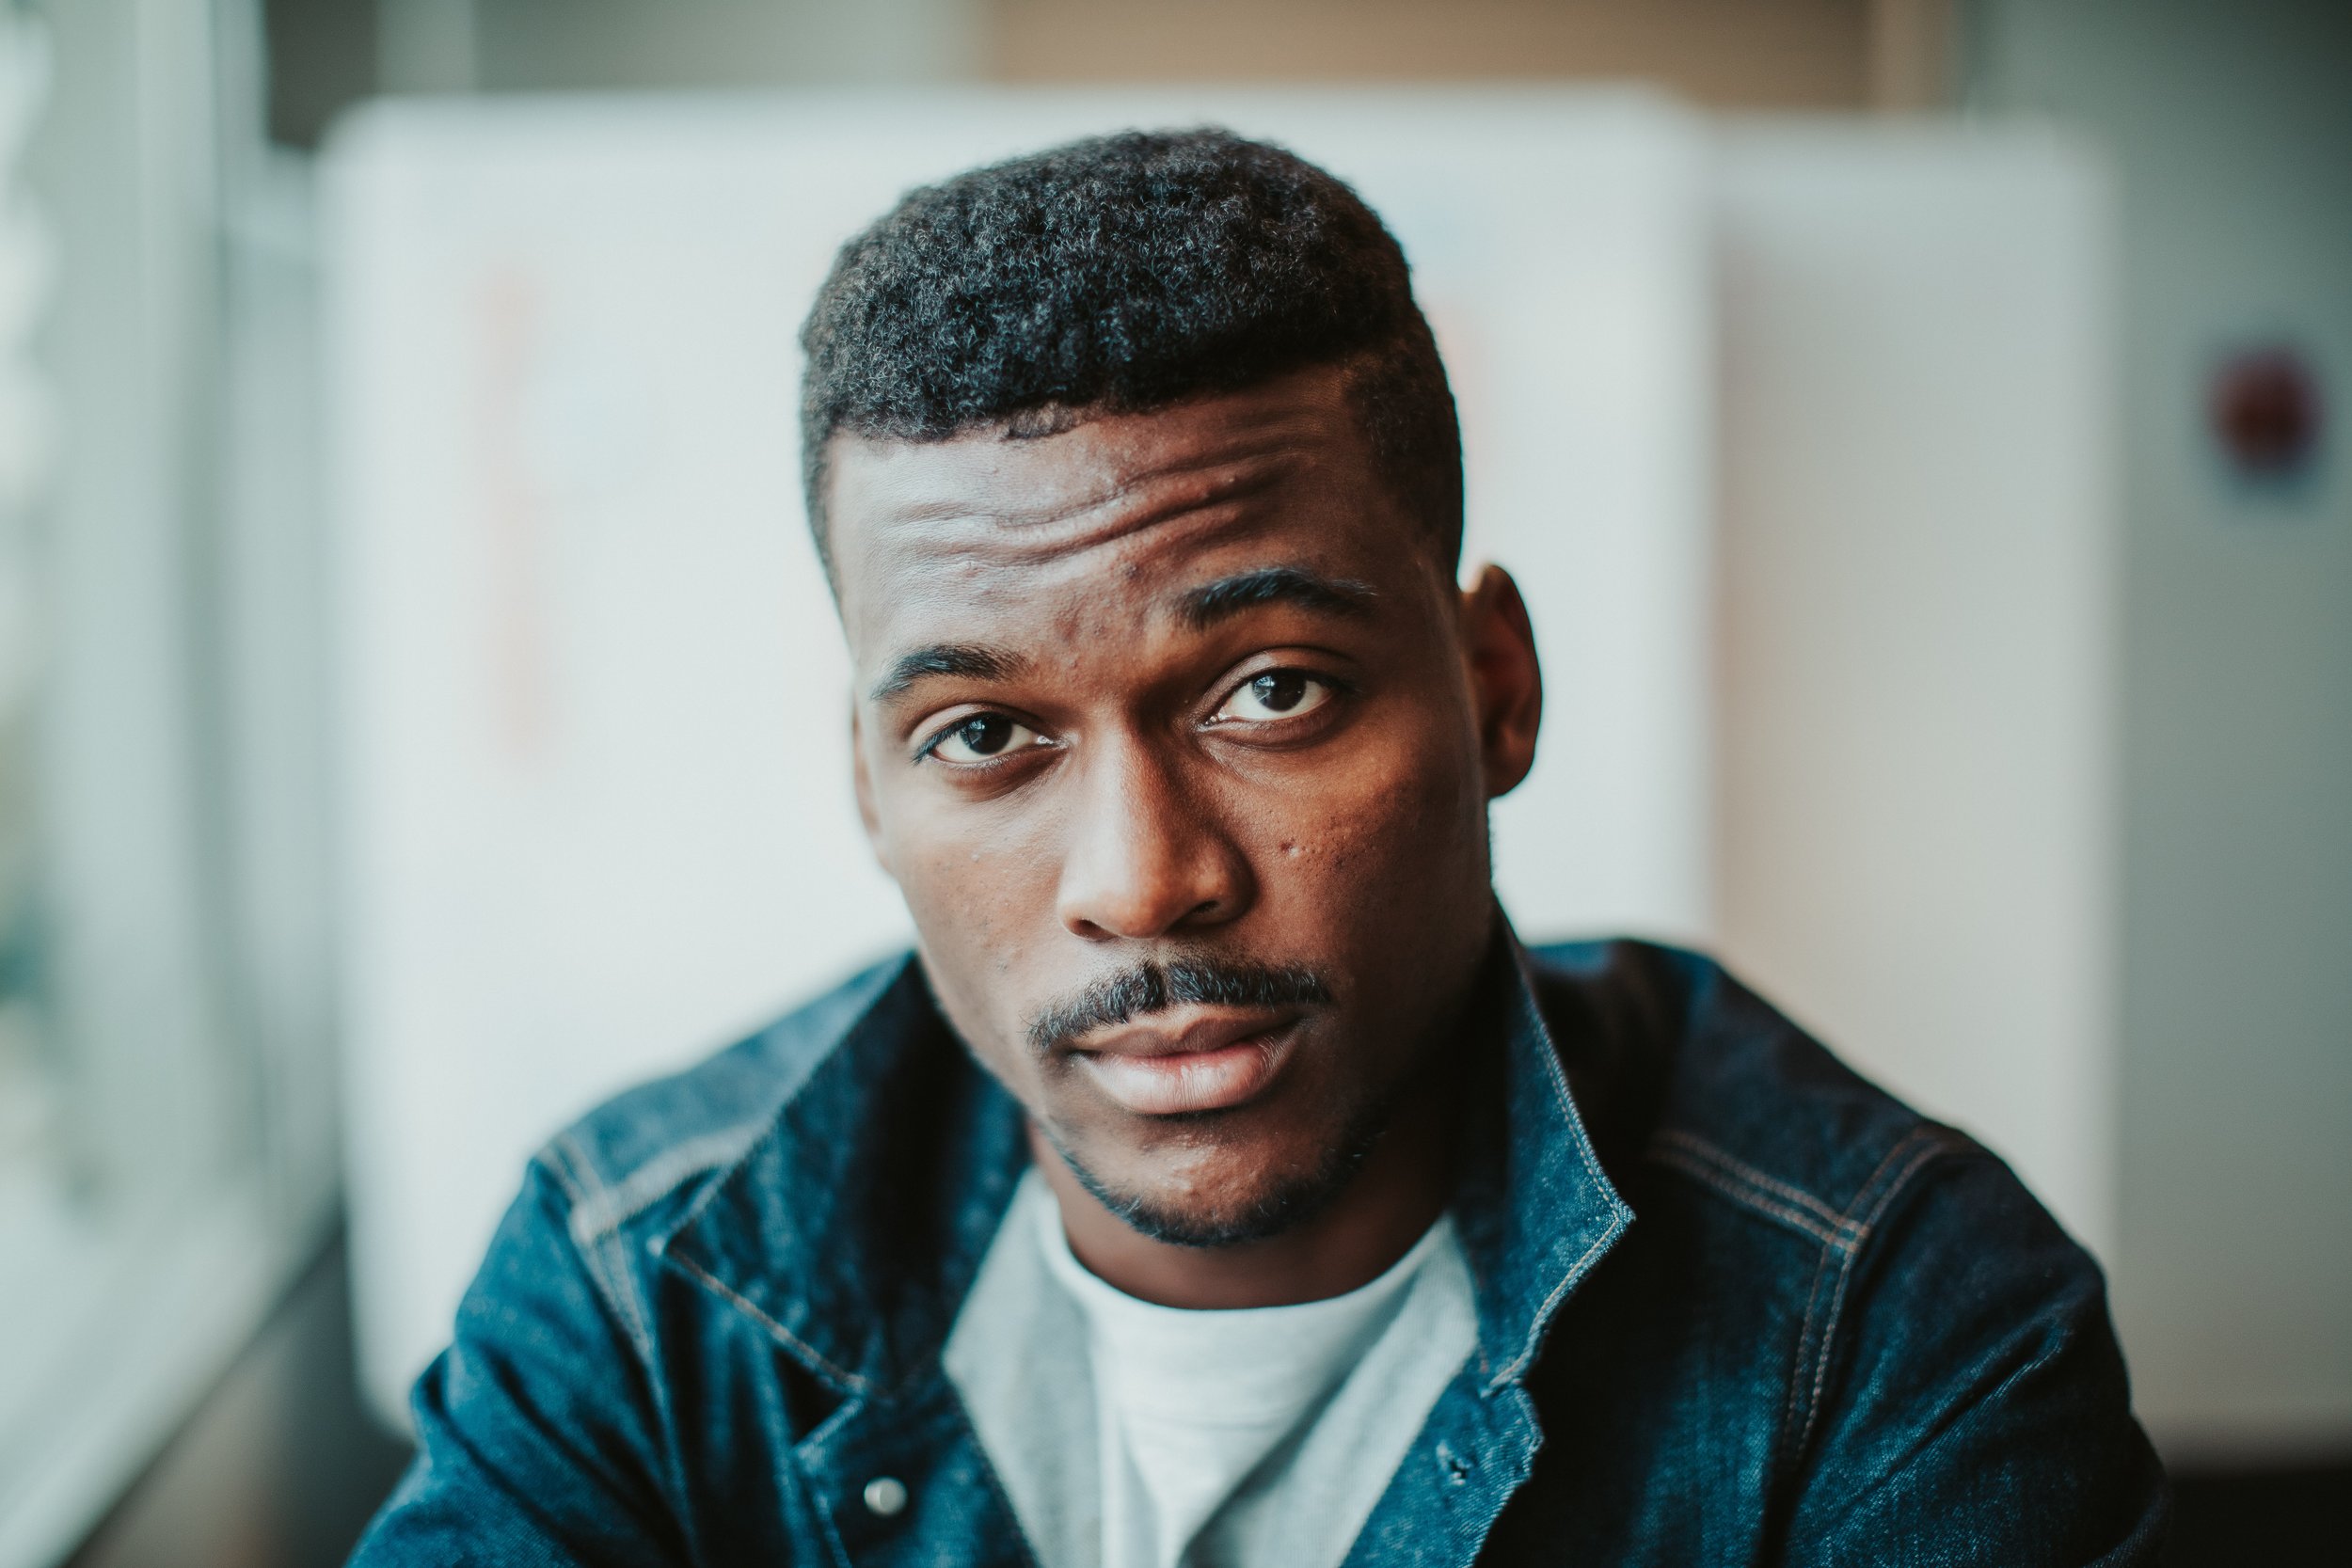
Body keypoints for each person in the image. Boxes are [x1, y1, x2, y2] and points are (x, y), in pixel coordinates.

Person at [349, 128, 2167, 1567]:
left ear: (1494, 689)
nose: (1142, 882)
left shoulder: (1890, 1329)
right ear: (865, 784)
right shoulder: (638, 1284)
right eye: (983, 738)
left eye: (1273, 692)